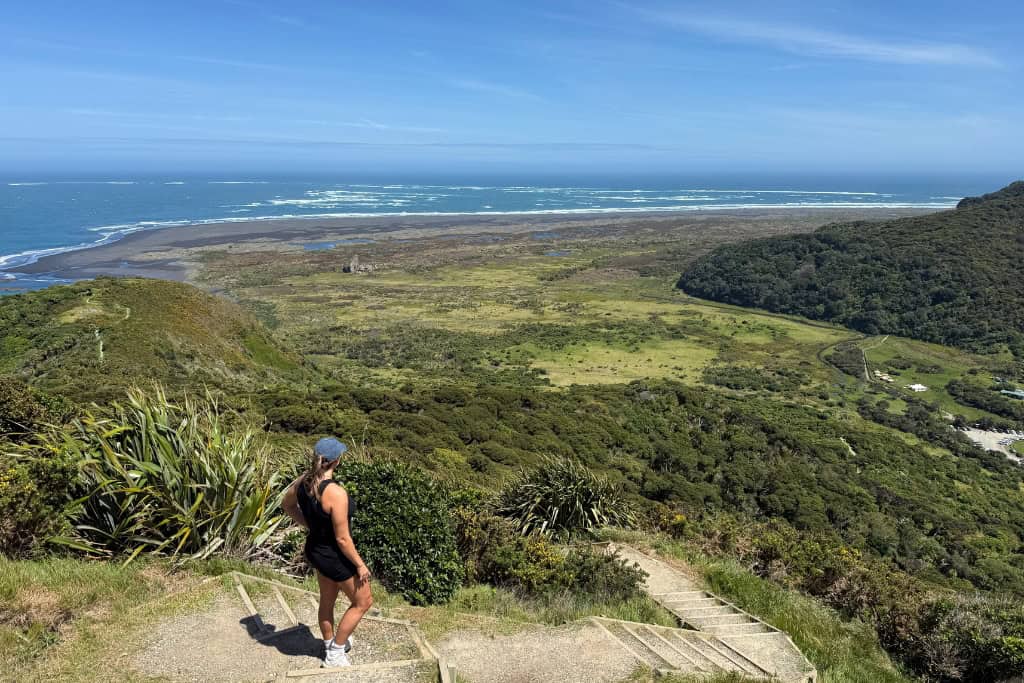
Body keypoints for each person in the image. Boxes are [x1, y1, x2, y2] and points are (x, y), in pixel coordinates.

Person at [282, 437, 373, 668]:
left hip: (316, 550)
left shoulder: (304, 481)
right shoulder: (335, 493)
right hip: (334, 556)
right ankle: (336, 652)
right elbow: (343, 539)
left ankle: (329, 643)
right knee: (363, 601)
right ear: (337, 461)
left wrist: (309, 524)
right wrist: (360, 565)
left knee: (328, 599)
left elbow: (287, 505)